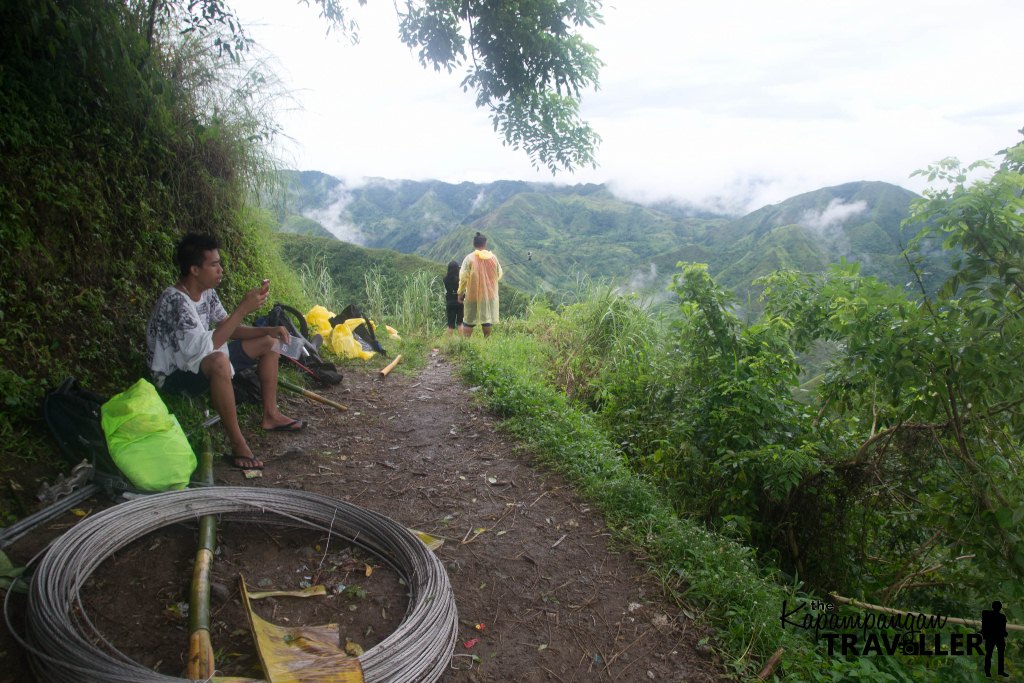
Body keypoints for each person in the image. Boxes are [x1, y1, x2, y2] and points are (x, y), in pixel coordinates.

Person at [146, 233, 305, 471]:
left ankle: (271, 415)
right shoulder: (175, 302)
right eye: (214, 264)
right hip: (173, 375)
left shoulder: (207, 292)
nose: (220, 269)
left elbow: (227, 328)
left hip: (200, 358)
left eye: (219, 263)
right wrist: (242, 308)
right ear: (194, 270)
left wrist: (270, 329)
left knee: (269, 342)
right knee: (220, 361)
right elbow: (204, 347)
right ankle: (238, 444)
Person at [458, 232, 503, 338]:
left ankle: (466, 343)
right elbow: (498, 274)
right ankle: (486, 341)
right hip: (489, 295)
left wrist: (460, 293)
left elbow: (463, 278)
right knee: (487, 319)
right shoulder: (493, 258)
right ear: (485, 243)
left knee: (469, 319)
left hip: (473, 295)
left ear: (474, 244)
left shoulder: (469, 258)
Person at [981, 601, 1009, 677]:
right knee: (1000, 655)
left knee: (989, 655)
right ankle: (1000, 671)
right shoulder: (1002, 617)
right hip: (999, 637)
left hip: (991, 637)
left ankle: (987, 672)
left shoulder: (987, 614)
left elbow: (984, 624)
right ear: (1000, 608)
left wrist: (984, 635)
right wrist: (1005, 634)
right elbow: (1003, 630)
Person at [443, 260, 464, 336]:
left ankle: (449, 342)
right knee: (460, 323)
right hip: (459, 302)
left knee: (450, 324)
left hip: (450, 303)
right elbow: (463, 290)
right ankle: (461, 341)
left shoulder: (445, 279)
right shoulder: (459, 279)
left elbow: (445, 291)